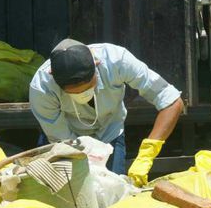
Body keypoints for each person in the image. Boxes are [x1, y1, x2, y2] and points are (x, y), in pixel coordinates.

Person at [29, 38, 183, 185]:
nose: (83, 94)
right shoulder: (41, 87)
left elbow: (172, 101)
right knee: (71, 198)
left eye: (88, 86)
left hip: (110, 132)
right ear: (52, 76)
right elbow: (63, 140)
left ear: (97, 64)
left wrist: (147, 153)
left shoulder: (117, 60)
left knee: (114, 195)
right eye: (74, 93)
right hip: (66, 142)